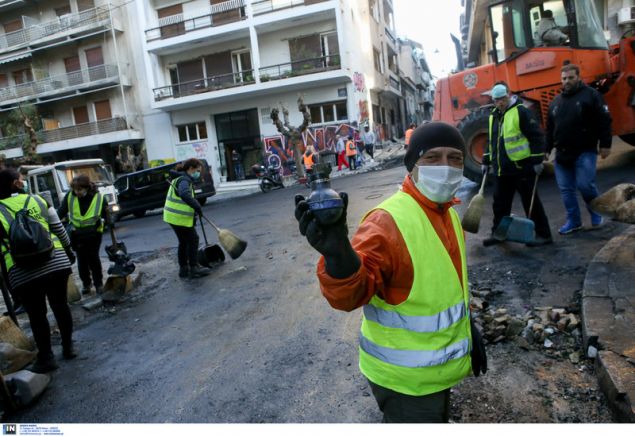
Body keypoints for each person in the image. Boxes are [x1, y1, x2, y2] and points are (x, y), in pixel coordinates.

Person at [294, 122, 487, 423]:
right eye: (433, 158)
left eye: (455, 159)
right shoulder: (387, 222)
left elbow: (446, 289)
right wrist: (339, 254)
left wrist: (468, 330)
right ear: (413, 166)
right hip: (405, 383)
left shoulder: (446, 211)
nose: (446, 167)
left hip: (434, 374)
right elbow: (350, 295)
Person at [0, 168, 76, 373]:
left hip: (21, 271)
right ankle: (68, 347)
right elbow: (59, 228)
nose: (24, 181)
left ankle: (46, 357)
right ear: (15, 183)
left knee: (36, 314)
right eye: (21, 179)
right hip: (56, 261)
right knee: (60, 305)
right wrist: (68, 251)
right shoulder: (38, 201)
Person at [482, 83, 552, 247]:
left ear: (509, 95)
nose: (500, 103)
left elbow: (536, 136)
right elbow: (491, 142)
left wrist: (537, 160)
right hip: (502, 169)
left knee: (531, 202)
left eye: (502, 99)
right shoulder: (493, 116)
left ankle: (544, 235)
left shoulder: (522, 112)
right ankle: (499, 233)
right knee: (500, 204)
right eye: (496, 100)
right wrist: (486, 160)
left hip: (522, 168)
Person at [546, 64, 612, 235]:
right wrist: (546, 149)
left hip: (585, 151)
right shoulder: (555, 103)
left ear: (578, 77)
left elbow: (604, 119)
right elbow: (549, 129)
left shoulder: (591, 96)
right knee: (567, 191)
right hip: (562, 156)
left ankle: (596, 212)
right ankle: (574, 221)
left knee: (585, 185)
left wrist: (606, 144)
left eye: (571, 78)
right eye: (564, 79)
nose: (567, 81)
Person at [57, 174, 107, 295]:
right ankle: (86, 283)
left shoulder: (99, 198)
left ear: (87, 187)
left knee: (94, 259)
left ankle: (98, 284)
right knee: (82, 260)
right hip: (77, 235)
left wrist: (104, 225)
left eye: (79, 189)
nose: (77, 192)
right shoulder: (70, 196)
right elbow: (61, 212)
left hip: (93, 235)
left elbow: (105, 216)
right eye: (74, 189)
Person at [164, 158, 210, 279]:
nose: (198, 173)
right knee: (193, 239)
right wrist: (197, 205)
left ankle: (184, 269)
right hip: (178, 217)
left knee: (184, 242)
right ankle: (194, 268)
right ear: (191, 169)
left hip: (172, 217)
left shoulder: (179, 178)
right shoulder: (184, 180)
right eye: (197, 171)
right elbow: (184, 194)